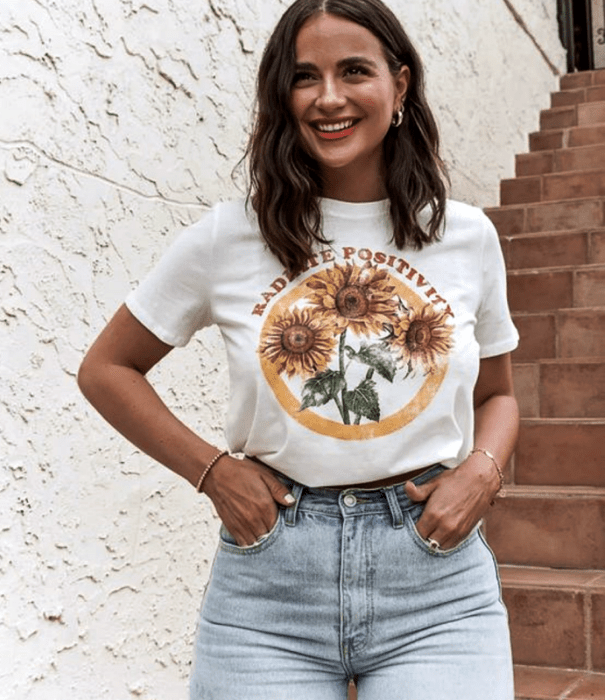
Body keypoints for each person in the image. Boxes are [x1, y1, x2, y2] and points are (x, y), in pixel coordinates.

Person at [78, 0, 520, 697]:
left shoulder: (464, 236)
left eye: (353, 71)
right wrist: (212, 472)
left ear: (399, 85)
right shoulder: (228, 237)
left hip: (434, 584)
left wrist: (482, 471)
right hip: (269, 586)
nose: (329, 97)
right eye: (304, 76)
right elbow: (106, 369)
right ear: (282, 96)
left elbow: (496, 394)